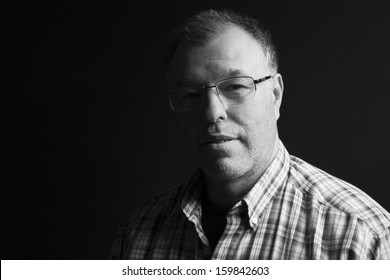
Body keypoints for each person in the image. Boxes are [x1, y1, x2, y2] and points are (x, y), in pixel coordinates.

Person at [110, 9, 390, 259]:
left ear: (276, 95)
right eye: (190, 94)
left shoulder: (361, 237)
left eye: (235, 87)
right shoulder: (140, 230)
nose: (212, 113)